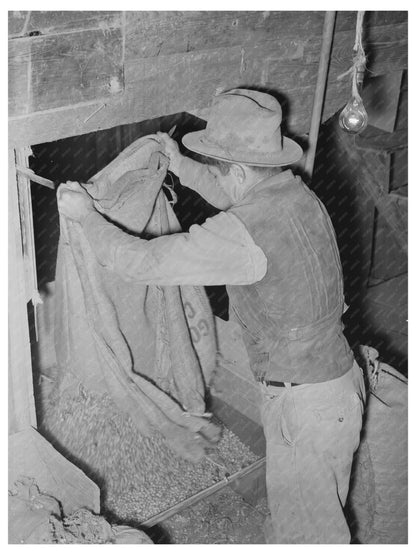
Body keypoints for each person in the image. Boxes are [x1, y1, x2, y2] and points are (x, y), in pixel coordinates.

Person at [57, 88, 366, 544]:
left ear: (241, 169)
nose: (223, 179)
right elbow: (232, 195)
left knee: (314, 539)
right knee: (301, 524)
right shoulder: (293, 195)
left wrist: (87, 218)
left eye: (224, 168)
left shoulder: (245, 237)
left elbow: (144, 264)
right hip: (331, 387)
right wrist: (180, 164)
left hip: (308, 408)